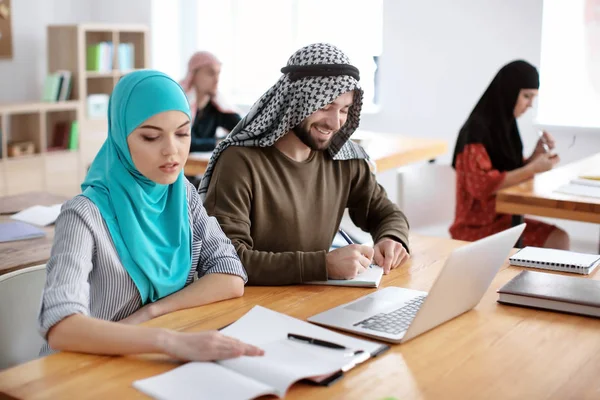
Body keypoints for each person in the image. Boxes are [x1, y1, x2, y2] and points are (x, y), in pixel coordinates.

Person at [37, 70, 263, 361]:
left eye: (182, 133)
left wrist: (151, 312)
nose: (172, 150)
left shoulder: (182, 195)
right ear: (121, 136)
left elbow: (230, 276)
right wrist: (165, 340)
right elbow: (61, 327)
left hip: (142, 359)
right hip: (77, 367)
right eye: (151, 136)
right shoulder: (83, 215)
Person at [200, 43, 410, 286]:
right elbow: (228, 260)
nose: (335, 123)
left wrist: (392, 238)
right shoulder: (239, 162)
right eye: (325, 107)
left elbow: (385, 212)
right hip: (251, 306)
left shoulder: (344, 158)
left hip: (313, 298)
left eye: (344, 109)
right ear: (296, 102)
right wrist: (322, 265)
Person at [450, 60, 569, 249]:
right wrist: (532, 168)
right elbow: (482, 185)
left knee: (559, 238)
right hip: (476, 226)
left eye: (533, 98)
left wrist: (536, 155)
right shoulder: (475, 133)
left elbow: (510, 170)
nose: (530, 105)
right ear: (509, 92)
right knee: (557, 239)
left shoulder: (506, 125)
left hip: (506, 216)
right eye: (526, 96)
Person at [179, 51, 242, 152]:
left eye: (218, 73)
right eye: (211, 73)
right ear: (194, 75)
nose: (217, 79)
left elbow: (244, 130)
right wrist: (220, 142)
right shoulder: (180, 106)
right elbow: (186, 143)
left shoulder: (216, 107)